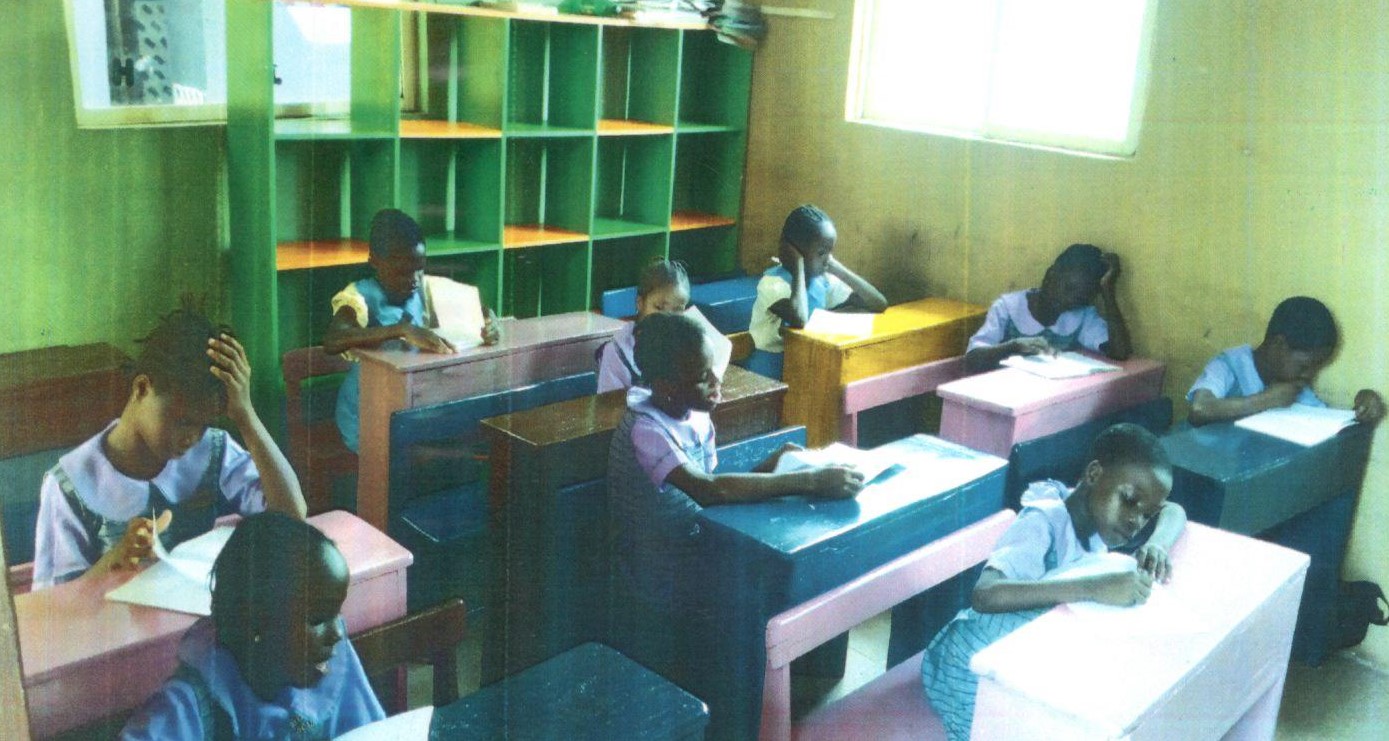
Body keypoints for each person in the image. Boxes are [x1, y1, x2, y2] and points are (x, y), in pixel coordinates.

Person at [606, 312, 863, 676]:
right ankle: (759, 679)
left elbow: (715, 488)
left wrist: (772, 464)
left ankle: (797, 668)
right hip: (657, 563)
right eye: (702, 377)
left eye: (713, 369)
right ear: (666, 387)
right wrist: (809, 480)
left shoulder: (691, 413)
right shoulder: (646, 430)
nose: (717, 381)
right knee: (763, 577)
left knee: (785, 563)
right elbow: (710, 490)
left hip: (695, 539)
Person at [920, 423, 1186, 741]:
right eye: (1129, 500)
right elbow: (985, 595)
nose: (1135, 521)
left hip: (1023, 660)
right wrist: (1093, 587)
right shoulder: (1042, 521)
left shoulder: (1101, 520)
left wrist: (1158, 544)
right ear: (1094, 474)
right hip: (967, 667)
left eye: (1146, 515)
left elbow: (1173, 510)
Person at [32, 302, 306, 590]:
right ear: (142, 388)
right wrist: (115, 560)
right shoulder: (69, 485)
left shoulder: (214, 450)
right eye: (183, 421)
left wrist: (245, 414)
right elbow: (50, 605)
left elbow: (292, 517)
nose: (192, 437)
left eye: (203, 425)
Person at [120, 512, 384, 740]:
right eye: (317, 619)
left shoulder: (329, 665)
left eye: (336, 613)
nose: (337, 633)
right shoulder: (190, 706)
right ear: (255, 623)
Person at [324, 208, 500, 451]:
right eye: (402, 272)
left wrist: (489, 323)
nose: (414, 279)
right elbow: (333, 339)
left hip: (410, 405)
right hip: (367, 415)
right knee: (443, 449)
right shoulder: (358, 296)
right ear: (375, 261)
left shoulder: (424, 288)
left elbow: (476, 309)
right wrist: (402, 330)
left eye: (420, 268)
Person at [1187, 296, 1385, 426]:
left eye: (1317, 368)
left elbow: (1325, 423)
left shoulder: (1294, 386)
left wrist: (1363, 408)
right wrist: (1266, 400)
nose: (1309, 375)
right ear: (1278, 345)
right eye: (1304, 366)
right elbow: (1200, 408)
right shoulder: (1228, 365)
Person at [745, 204, 887, 379]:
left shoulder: (822, 281)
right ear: (794, 252)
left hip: (807, 362)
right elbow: (800, 319)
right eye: (821, 253)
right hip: (769, 371)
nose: (827, 259)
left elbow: (878, 303)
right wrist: (798, 266)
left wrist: (836, 267)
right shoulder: (773, 284)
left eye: (830, 251)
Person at [964, 243, 1132, 372]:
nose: (1070, 300)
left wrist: (1108, 290)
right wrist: (1012, 347)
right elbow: (972, 360)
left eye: (1080, 298)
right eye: (1068, 288)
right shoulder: (1008, 308)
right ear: (1050, 275)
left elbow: (1120, 352)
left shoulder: (1082, 316)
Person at [596, 259, 691, 392]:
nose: (668, 317)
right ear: (640, 303)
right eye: (659, 307)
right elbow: (610, 402)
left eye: (677, 310)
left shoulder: (690, 346)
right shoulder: (616, 352)